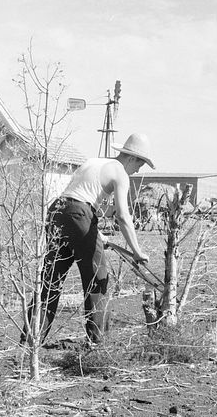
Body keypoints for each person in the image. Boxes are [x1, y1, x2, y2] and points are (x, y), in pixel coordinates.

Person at [24, 132, 155, 347]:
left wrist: (96, 233)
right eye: (140, 164)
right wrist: (137, 250)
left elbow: (75, 199)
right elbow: (123, 216)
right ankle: (98, 343)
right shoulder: (121, 173)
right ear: (131, 158)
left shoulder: (94, 161)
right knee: (98, 279)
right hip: (79, 215)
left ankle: (30, 341)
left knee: (51, 281)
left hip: (57, 212)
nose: (138, 170)